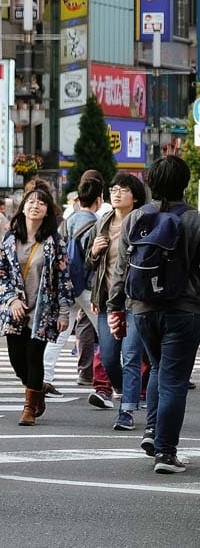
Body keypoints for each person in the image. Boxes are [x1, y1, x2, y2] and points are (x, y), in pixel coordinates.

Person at [109, 155, 200, 473]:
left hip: (143, 310)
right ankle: (165, 451)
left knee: (160, 369)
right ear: (185, 183)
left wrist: (114, 307)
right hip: (183, 309)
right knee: (175, 378)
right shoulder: (194, 219)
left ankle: (152, 432)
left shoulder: (136, 218)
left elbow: (121, 269)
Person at [0, 180, 72, 426]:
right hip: (15, 309)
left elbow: (63, 277)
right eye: (30, 202)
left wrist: (63, 313)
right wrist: (12, 299)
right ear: (23, 207)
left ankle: (29, 408)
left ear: (48, 210)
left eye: (41, 202)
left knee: (34, 356)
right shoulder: (9, 239)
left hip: (43, 310)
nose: (35, 206)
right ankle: (37, 389)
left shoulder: (54, 241)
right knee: (17, 358)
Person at [90, 172, 149, 432]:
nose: (116, 193)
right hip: (106, 301)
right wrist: (94, 251)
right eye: (113, 189)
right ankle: (125, 391)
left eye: (123, 190)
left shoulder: (143, 223)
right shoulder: (102, 222)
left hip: (135, 300)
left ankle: (126, 410)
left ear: (135, 197)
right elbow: (92, 263)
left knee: (131, 355)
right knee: (110, 358)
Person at [49, 174, 107, 400]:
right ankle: (112, 380)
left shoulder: (67, 221)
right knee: (106, 331)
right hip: (86, 287)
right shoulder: (94, 223)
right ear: (99, 200)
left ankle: (44, 379)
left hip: (66, 284)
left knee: (60, 333)